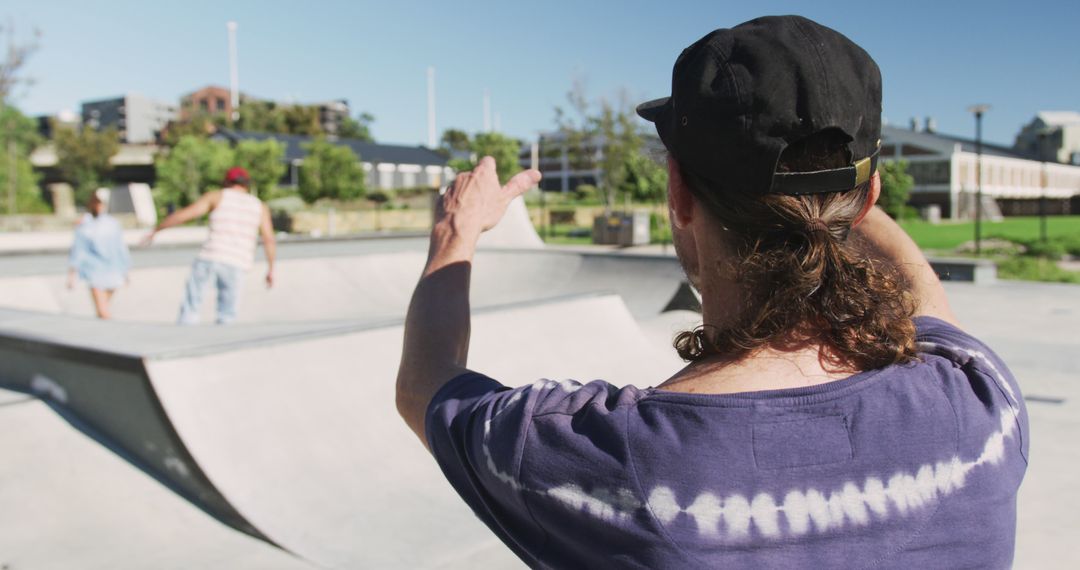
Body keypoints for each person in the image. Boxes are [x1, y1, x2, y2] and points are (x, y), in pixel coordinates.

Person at [396, 15, 1028, 569]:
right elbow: (924, 294)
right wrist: (835, 196)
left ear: (677, 194)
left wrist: (457, 234)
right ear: (870, 198)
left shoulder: (610, 467)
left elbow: (425, 382)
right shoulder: (981, 403)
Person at [143, 166, 276, 324]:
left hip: (210, 256)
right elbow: (268, 239)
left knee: (191, 307)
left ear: (226, 182)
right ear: (246, 184)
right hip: (237, 262)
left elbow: (185, 215)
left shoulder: (217, 197)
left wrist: (157, 230)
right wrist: (271, 269)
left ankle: (183, 338)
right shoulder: (259, 206)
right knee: (227, 314)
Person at [67, 188, 131, 319]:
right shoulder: (85, 225)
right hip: (95, 271)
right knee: (103, 310)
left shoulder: (111, 224)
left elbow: (120, 248)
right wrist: (72, 274)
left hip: (112, 270)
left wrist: (125, 271)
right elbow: (78, 250)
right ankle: (109, 334)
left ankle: (100, 333)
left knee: (102, 311)